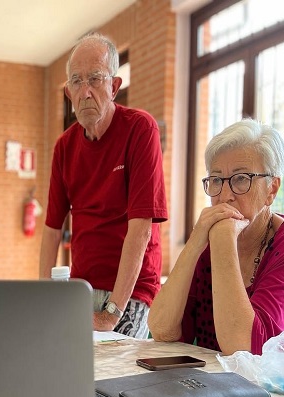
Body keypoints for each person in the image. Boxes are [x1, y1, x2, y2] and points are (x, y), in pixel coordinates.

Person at [39, 32, 168, 338]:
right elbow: (52, 229)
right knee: (55, 355)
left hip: (131, 293)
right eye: (76, 81)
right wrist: (43, 297)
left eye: (95, 79)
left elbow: (141, 229)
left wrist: (112, 312)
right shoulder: (64, 147)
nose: (85, 92)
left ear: (114, 86)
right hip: (81, 288)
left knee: (111, 364)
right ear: (69, 92)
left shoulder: (140, 129)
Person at [148, 119, 284, 355]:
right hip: (210, 378)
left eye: (241, 178)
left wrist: (223, 239)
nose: (224, 196)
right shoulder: (206, 245)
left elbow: (244, 349)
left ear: (271, 189)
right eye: (217, 180)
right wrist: (195, 241)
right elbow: (162, 329)